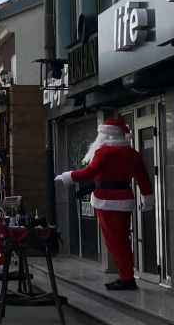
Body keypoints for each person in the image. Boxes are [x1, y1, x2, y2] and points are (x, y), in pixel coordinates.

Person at [55, 118, 154, 291]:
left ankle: (126, 277)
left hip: (107, 201)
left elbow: (89, 171)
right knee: (123, 239)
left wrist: (68, 176)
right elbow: (143, 178)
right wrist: (148, 197)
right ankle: (127, 274)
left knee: (114, 241)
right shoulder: (132, 154)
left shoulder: (103, 153)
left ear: (106, 134)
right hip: (124, 199)